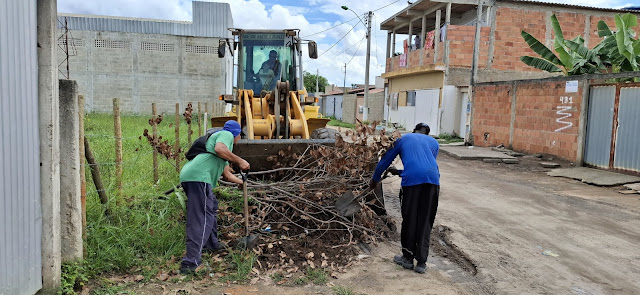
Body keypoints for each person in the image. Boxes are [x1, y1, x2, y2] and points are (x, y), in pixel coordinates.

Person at [178, 120, 250, 274]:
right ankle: (190, 262)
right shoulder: (225, 135)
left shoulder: (222, 145)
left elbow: (226, 174)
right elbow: (219, 149)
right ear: (237, 134)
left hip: (194, 177)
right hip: (198, 178)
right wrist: (240, 160)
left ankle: (211, 244)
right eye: (240, 137)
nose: (238, 140)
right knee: (201, 218)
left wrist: (241, 182)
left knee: (211, 207)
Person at [370, 123, 440, 274]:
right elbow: (425, 165)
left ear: (414, 130)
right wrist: (400, 172)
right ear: (427, 134)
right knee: (425, 220)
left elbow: (385, 160)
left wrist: (375, 179)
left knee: (410, 219)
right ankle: (421, 263)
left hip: (413, 184)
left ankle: (407, 258)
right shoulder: (434, 143)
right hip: (433, 182)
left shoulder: (404, 138)